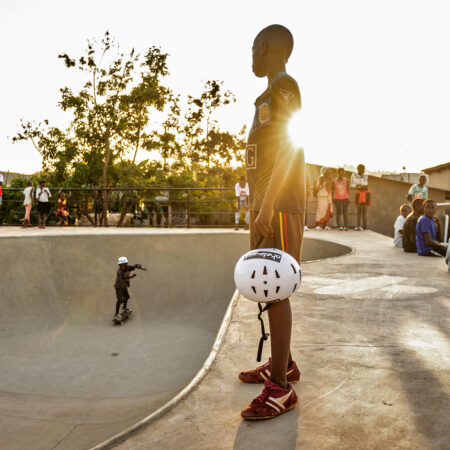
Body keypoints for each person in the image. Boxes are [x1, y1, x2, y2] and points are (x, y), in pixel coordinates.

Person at [240, 24, 304, 420]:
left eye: (252, 48)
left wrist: (266, 208)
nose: (250, 55)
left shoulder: (285, 86)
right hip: (265, 205)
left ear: (265, 47)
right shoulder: (266, 93)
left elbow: (286, 147)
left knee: (275, 287)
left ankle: (281, 388)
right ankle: (285, 364)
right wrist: (255, 206)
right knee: (265, 284)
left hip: (278, 206)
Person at [350, 164, 370, 230]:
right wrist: (359, 185)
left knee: (364, 210)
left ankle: (364, 226)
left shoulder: (365, 176)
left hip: (366, 193)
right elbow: (352, 185)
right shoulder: (354, 175)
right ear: (358, 169)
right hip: (358, 193)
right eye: (360, 169)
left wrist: (359, 185)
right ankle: (358, 226)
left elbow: (366, 184)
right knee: (359, 210)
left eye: (362, 169)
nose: (361, 170)